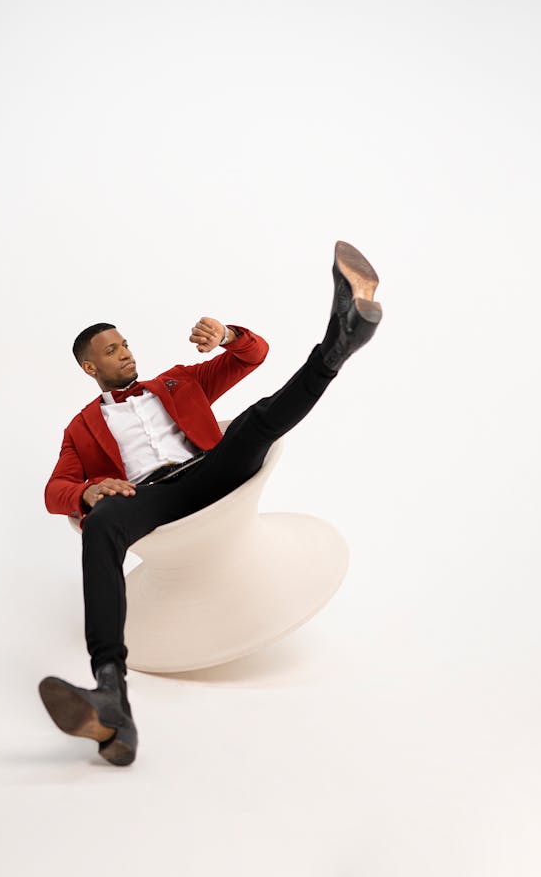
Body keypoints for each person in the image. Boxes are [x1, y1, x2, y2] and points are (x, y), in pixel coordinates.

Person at [40, 240, 382, 766]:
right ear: (89, 368)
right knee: (102, 522)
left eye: (126, 343)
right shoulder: (80, 428)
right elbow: (53, 492)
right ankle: (111, 695)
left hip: (212, 471)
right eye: (111, 351)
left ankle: (338, 343)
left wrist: (225, 336)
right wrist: (86, 491)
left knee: (254, 421)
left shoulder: (179, 381)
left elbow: (254, 354)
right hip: (149, 498)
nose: (126, 352)